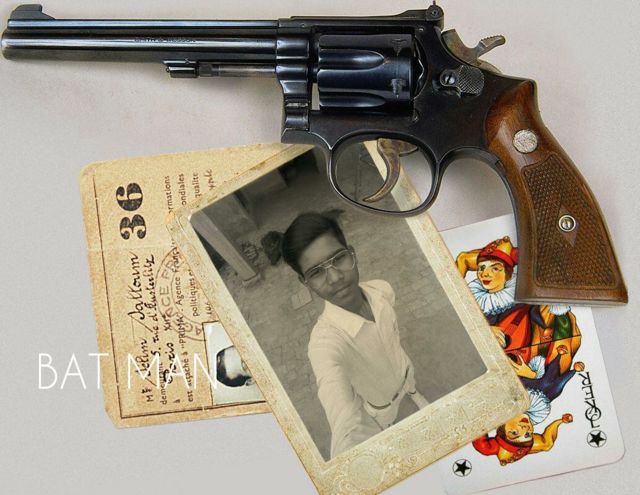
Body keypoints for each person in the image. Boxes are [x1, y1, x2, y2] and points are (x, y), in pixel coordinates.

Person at [281, 212, 429, 459]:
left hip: (406, 370)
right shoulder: (325, 343)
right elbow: (344, 422)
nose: (335, 277)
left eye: (338, 258)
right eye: (316, 272)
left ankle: (414, 394)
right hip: (382, 406)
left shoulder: (381, 290)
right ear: (305, 282)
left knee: (412, 387)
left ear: (352, 254)